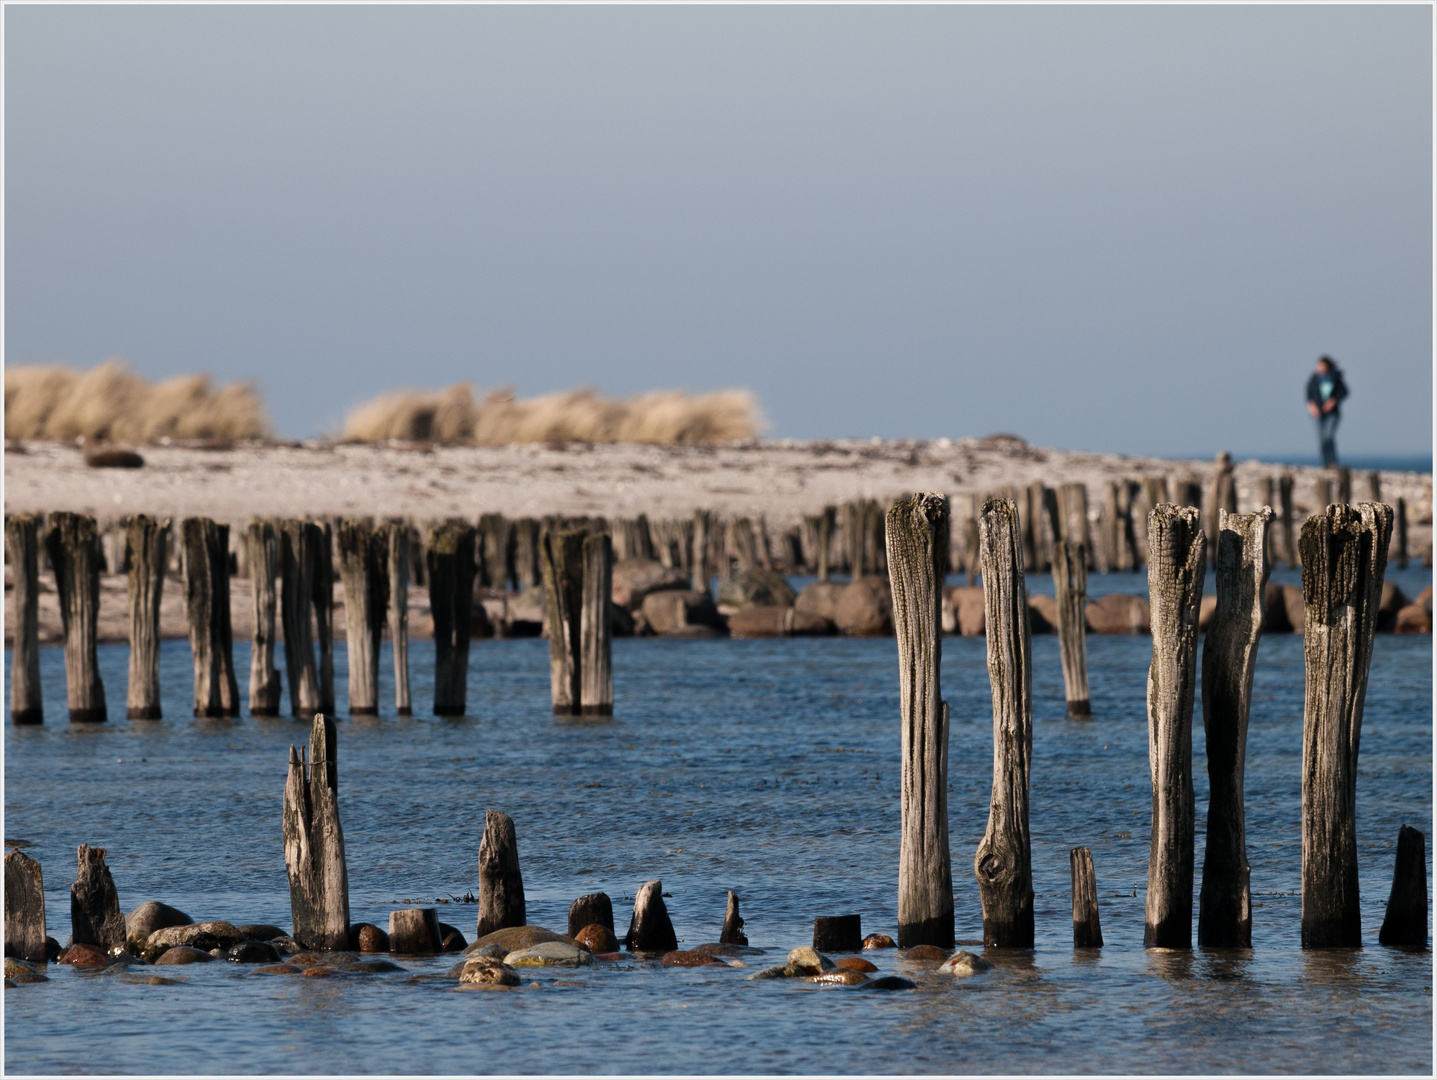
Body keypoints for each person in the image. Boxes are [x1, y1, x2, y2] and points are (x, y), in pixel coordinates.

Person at [1306, 355, 1348, 468]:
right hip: (1318, 414)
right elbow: (1308, 395)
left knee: (1328, 436)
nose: (1319, 367)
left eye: (1321, 365)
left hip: (1332, 413)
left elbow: (1344, 392)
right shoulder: (1314, 379)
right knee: (1321, 440)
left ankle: (1332, 462)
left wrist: (1333, 401)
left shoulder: (1335, 378)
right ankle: (1326, 464)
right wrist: (1311, 406)